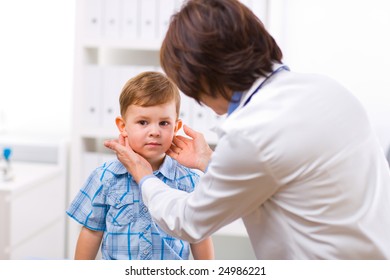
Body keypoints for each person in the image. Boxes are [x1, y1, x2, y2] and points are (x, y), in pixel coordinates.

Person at [104, 0, 390, 259]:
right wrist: (209, 161)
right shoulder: (327, 89)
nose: (202, 102)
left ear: (203, 77)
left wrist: (144, 176)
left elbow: (189, 221)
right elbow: (287, 175)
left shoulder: (251, 133)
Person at [67, 71, 214, 260]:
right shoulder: (104, 178)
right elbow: (92, 232)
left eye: (164, 123)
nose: (154, 131)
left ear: (176, 127)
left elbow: (200, 238)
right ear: (122, 126)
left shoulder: (190, 181)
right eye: (143, 122)